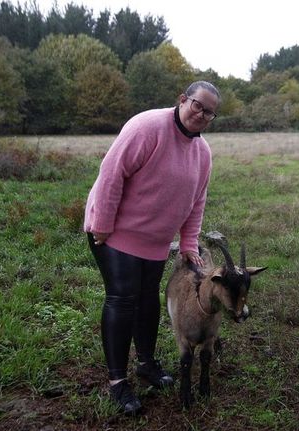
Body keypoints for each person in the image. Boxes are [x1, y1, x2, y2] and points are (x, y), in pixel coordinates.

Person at [84, 81, 220, 415]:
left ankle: (146, 364)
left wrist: (189, 243)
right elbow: (111, 172)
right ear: (183, 99)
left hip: (155, 242)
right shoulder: (148, 127)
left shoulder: (202, 153)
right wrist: (102, 221)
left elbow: (196, 200)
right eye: (197, 105)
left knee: (147, 301)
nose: (201, 114)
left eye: (210, 113)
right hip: (114, 231)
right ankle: (118, 383)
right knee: (123, 297)